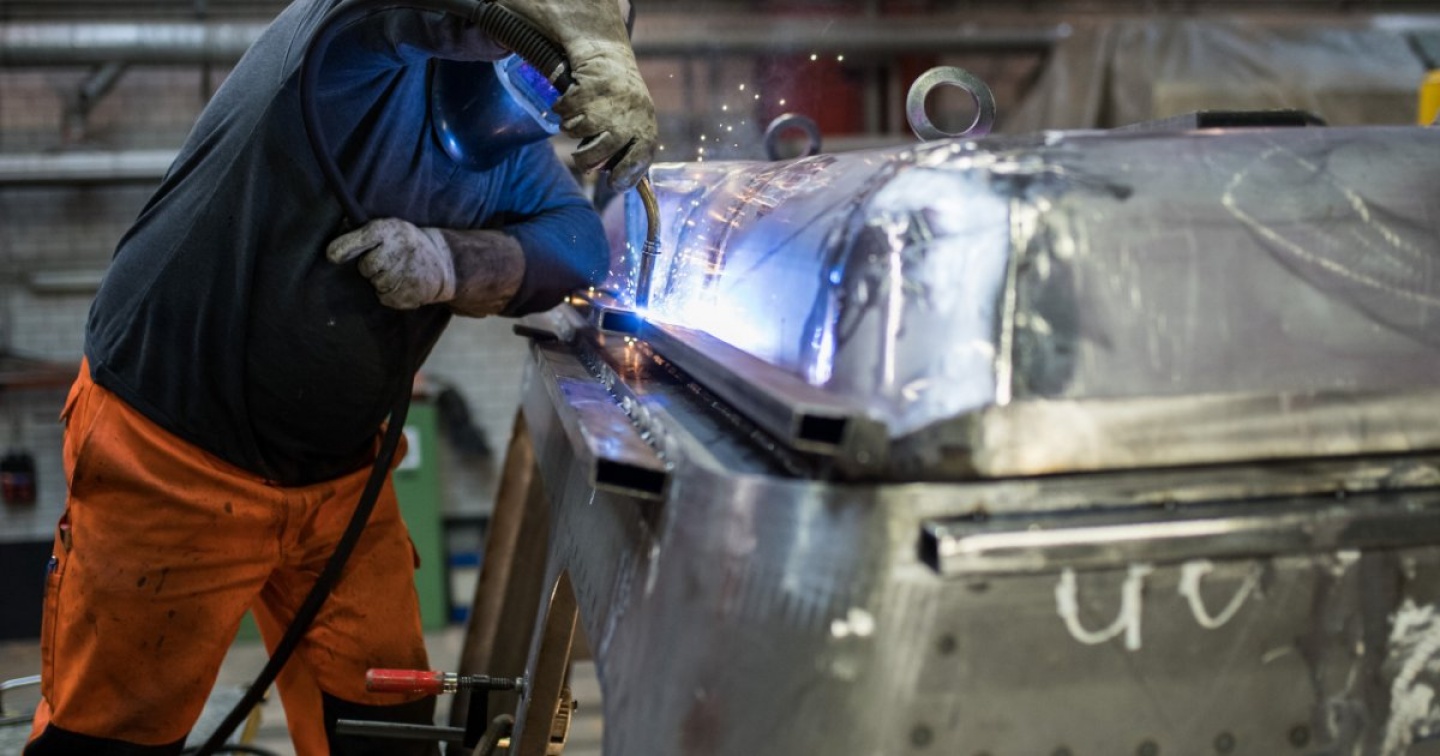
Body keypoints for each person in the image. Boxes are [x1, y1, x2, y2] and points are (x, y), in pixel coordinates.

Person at [24, 0, 656, 753]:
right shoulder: (344, 50)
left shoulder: (506, 162)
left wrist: (453, 262)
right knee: (113, 735)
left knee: (387, 730)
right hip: (170, 457)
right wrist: (577, 25)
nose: (535, 84)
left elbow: (580, 245)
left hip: (339, 482)